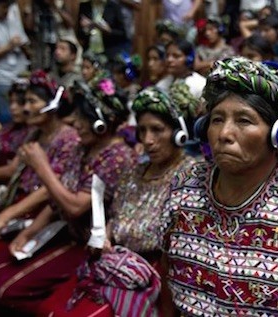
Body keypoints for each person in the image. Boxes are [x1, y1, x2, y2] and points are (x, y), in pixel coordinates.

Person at [158, 57, 278, 316]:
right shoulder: (184, 186)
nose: (224, 134)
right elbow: (167, 271)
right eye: (216, 119)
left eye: (244, 120)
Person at [35, 87, 198, 316]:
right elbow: (117, 215)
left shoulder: (191, 175)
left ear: (179, 133)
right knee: (49, 308)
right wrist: (104, 237)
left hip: (153, 271)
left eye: (157, 130)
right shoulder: (135, 171)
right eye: (142, 130)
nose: (148, 140)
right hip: (115, 262)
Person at [0, 76, 136, 315]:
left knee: (10, 290)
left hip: (92, 246)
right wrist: (30, 231)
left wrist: (41, 166)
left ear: (100, 123)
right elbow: (57, 201)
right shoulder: (82, 147)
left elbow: (75, 206)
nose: (75, 123)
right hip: (66, 232)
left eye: (82, 118)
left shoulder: (117, 157)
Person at [0, 79, 32, 183]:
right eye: (11, 102)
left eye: (20, 103)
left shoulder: (33, 133)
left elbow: (11, 171)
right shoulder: (8, 128)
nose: (13, 107)